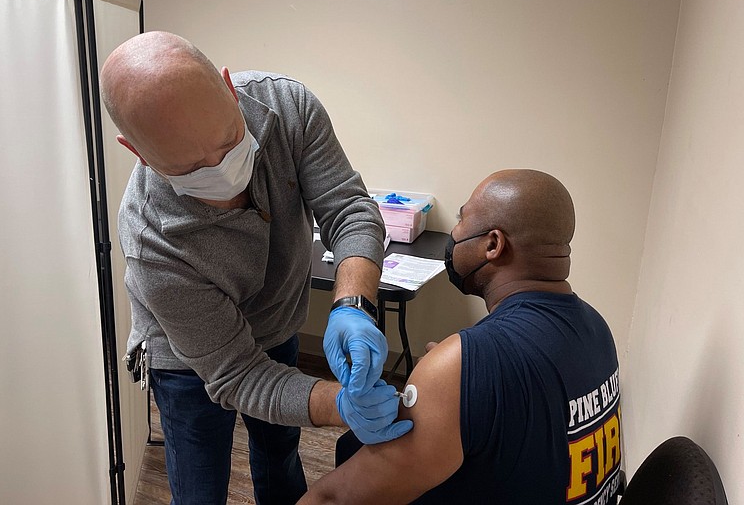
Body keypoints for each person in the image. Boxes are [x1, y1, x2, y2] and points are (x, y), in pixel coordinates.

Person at [99, 31, 411, 505]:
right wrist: (339, 405)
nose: (221, 170)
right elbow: (238, 374)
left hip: (277, 321)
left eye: (228, 141)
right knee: (200, 486)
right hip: (191, 359)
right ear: (137, 152)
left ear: (228, 88)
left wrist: (352, 306)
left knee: (280, 455)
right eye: (190, 167)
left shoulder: (287, 107)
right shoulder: (151, 237)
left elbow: (349, 209)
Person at [299, 169, 622, 505]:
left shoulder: (466, 365)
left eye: (461, 219)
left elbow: (333, 499)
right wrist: (459, 383)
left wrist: (451, 375)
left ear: (493, 244)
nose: (453, 233)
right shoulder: (597, 328)